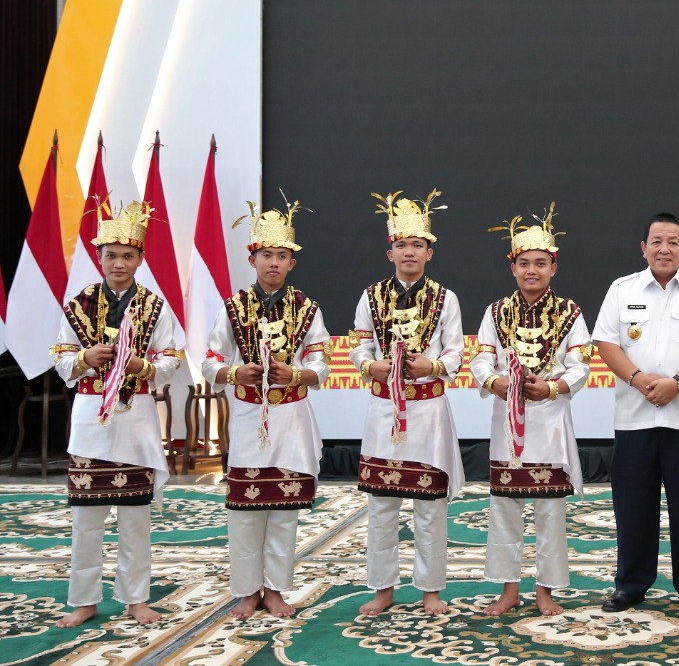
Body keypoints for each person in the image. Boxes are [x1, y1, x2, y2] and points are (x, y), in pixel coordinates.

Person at [50, 202, 182, 628]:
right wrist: (86, 356)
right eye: (111, 255)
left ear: (141, 259)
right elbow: (61, 354)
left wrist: (142, 365)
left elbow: (171, 356)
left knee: (135, 520)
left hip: (136, 417)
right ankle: (84, 600)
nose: (119, 263)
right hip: (91, 418)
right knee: (86, 521)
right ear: (99, 257)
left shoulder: (154, 307)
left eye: (128, 255)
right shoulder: (79, 305)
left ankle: (135, 598)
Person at [593, 212, 679, 613]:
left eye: (672, 242)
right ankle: (631, 584)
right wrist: (638, 379)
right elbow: (606, 344)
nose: (664, 249)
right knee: (633, 506)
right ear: (643, 248)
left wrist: (677, 383)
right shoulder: (622, 288)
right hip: (635, 417)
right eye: (656, 241)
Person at [202, 201, 330, 620]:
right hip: (246, 418)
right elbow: (207, 360)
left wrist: (294, 375)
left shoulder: (307, 309)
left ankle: (275, 590)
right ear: (252, 258)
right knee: (244, 510)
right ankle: (245, 591)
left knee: (283, 511)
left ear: (292, 262)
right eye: (266, 255)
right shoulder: (232, 307)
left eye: (281, 256)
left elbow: (321, 364)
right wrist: (236, 372)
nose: (273, 263)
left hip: (290, 419)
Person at [471, 205, 592, 617]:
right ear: (513, 268)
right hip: (507, 420)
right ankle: (508, 590)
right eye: (524, 263)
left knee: (550, 511)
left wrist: (553, 387)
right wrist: (496, 383)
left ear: (554, 267)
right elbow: (481, 361)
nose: (532, 271)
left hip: (550, 420)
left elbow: (581, 367)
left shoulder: (570, 312)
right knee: (505, 506)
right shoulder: (495, 312)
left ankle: (546, 590)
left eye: (541, 263)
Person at [349, 191, 464, 617]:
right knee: (381, 504)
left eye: (417, 245)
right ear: (390, 251)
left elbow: (455, 354)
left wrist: (430, 364)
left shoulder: (445, 298)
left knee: (430, 505)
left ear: (429, 253)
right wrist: (371, 366)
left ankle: (431, 589)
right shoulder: (371, 296)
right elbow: (358, 347)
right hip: (384, 409)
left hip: (428, 410)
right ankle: (383, 588)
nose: (409, 252)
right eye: (402, 245)